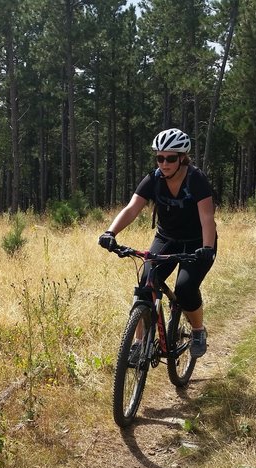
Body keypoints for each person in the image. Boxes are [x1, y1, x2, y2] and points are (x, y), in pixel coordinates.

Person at [98, 127, 217, 358]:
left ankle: (198, 330)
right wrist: (110, 232)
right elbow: (132, 208)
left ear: (182, 158)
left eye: (170, 158)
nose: (164, 163)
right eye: (160, 158)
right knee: (145, 285)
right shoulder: (153, 179)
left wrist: (208, 248)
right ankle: (139, 343)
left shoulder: (196, 179)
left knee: (185, 288)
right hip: (167, 238)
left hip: (197, 242)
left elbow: (207, 218)